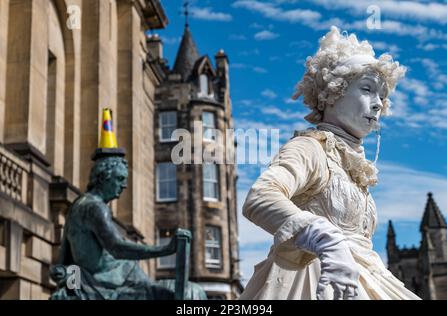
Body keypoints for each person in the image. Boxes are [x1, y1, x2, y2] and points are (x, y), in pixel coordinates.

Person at [240, 26, 420, 300]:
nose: (378, 104)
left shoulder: (351, 164)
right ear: (333, 93)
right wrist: (323, 238)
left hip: (366, 279)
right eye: (368, 89)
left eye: (382, 97)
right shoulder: (311, 147)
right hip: (311, 281)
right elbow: (260, 197)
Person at [51, 156, 206, 300]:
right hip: (110, 284)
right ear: (104, 177)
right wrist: (166, 250)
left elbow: (65, 254)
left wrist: (66, 277)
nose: (124, 185)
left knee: (190, 293)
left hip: (118, 278)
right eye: (119, 179)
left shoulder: (79, 205)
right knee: (193, 293)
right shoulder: (95, 207)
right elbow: (117, 249)